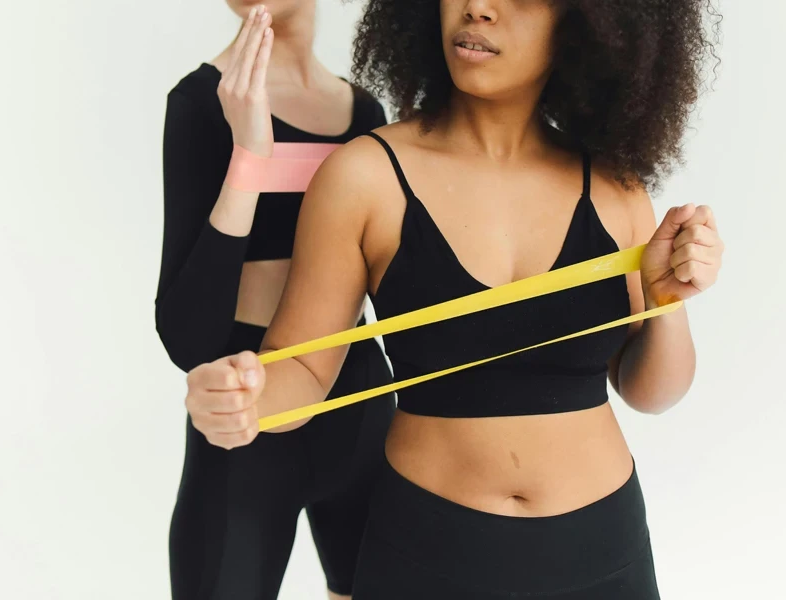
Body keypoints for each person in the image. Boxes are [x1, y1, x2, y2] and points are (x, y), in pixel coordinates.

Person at [184, 0, 724, 597]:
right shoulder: (364, 176)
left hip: (603, 555)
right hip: (426, 553)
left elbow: (649, 393)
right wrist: (249, 397)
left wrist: (667, 303)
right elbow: (306, 368)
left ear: (586, 22)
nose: (477, 8)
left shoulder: (617, 188)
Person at [155, 3, 395, 599]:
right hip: (244, 415)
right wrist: (250, 156)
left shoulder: (366, 114)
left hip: (362, 401)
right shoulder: (200, 102)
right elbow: (188, 339)